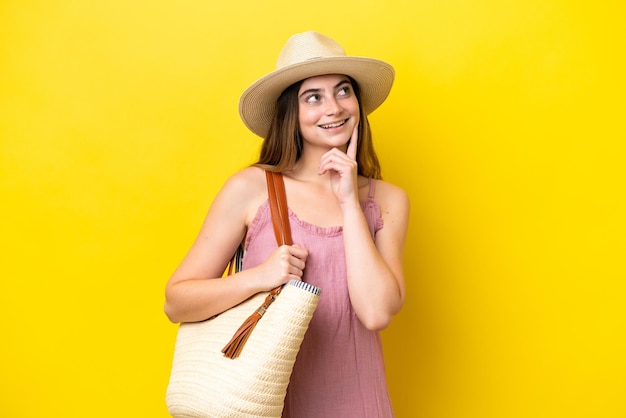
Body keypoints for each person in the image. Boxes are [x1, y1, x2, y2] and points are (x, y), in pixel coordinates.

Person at [164, 30, 409, 418]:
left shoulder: (387, 200)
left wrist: (349, 202)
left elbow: (377, 312)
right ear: (290, 113)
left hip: (359, 405)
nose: (333, 107)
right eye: (313, 97)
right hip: (263, 404)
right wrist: (259, 277)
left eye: (343, 91)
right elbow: (176, 302)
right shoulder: (251, 189)